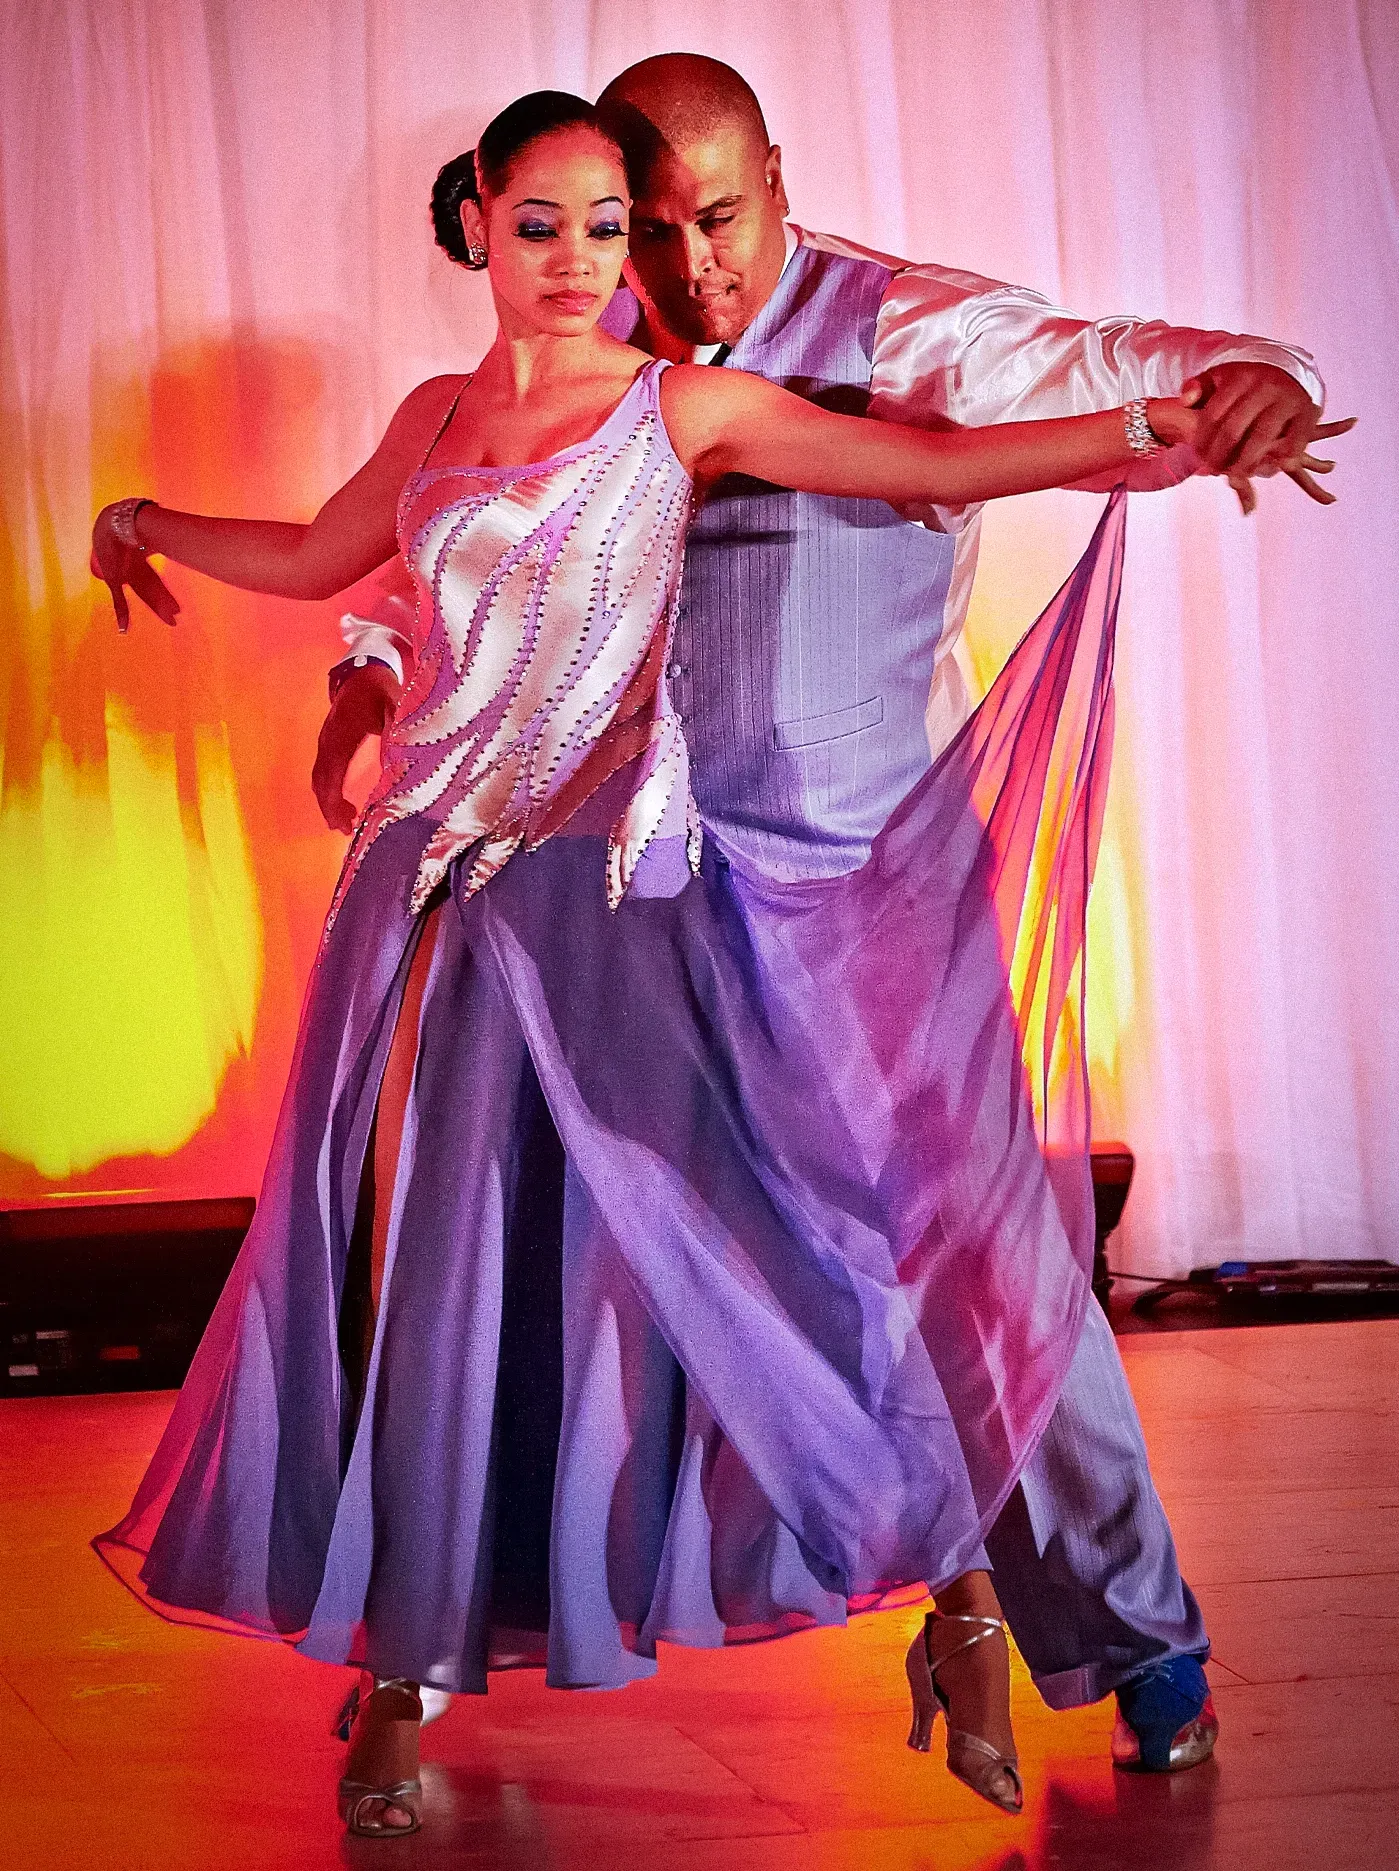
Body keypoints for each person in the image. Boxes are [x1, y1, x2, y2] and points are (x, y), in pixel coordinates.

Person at [89, 93, 1340, 1840]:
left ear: (777, 193)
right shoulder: (592, 358)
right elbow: (478, 544)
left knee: (973, 1278)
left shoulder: (896, 328)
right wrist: (367, 673)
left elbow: (1107, 365)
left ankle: (1128, 1644)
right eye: (636, 226)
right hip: (633, 902)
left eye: (712, 222)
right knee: (528, 1257)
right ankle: (439, 1641)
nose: (679, 268)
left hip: (856, 909)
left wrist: (1237, 383)